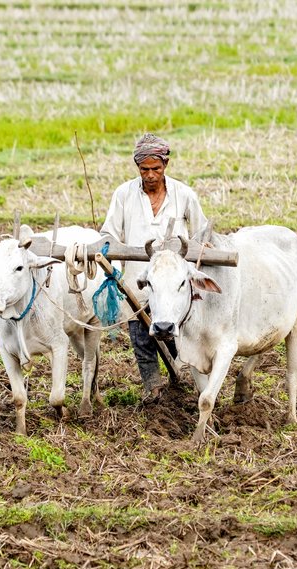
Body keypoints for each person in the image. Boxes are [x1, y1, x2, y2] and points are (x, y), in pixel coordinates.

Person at [100, 133, 208, 401]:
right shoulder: (124, 194)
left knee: (179, 335)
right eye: (144, 169)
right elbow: (109, 234)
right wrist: (104, 252)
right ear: (137, 167)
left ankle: (189, 380)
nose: (150, 175)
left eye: (155, 169)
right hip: (139, 282)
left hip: (175, 286)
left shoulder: (184, 195)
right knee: (141, 338)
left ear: (166, 165)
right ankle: (153, 389)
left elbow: (201, 235)